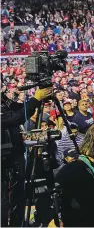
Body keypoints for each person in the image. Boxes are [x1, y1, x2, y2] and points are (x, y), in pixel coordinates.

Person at [1, 86, 53, 227]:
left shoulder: (2, 99)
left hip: (15, 156)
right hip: (5, 163)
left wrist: (36, 100)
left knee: (18, 197)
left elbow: (17, 108)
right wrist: (36, 99)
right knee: (5, 202)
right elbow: (16, 118)